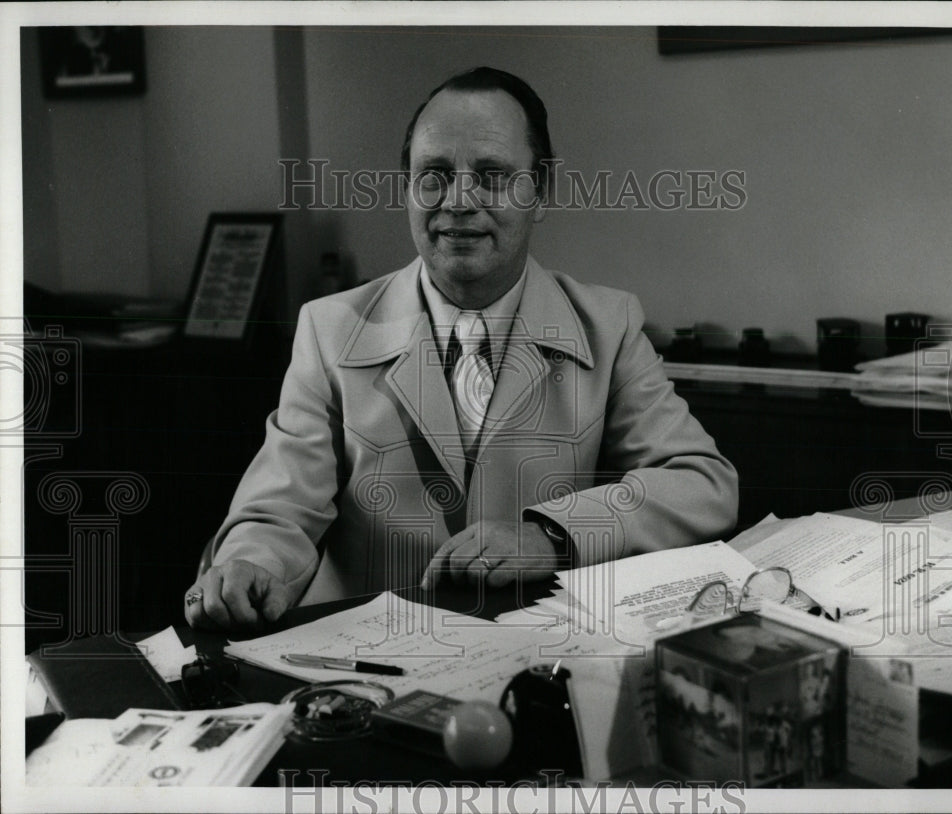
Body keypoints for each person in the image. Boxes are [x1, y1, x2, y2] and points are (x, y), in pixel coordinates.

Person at [184, 66, 738, 630]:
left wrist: (549, 534)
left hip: (534, 654)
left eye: (492, 175)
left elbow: (701, 483)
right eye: (435, 174)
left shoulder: (608, 325)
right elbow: (280, 506)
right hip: (365, 659)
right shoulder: (330, 329)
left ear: (540, 192)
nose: (459, 200)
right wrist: (252, 564)